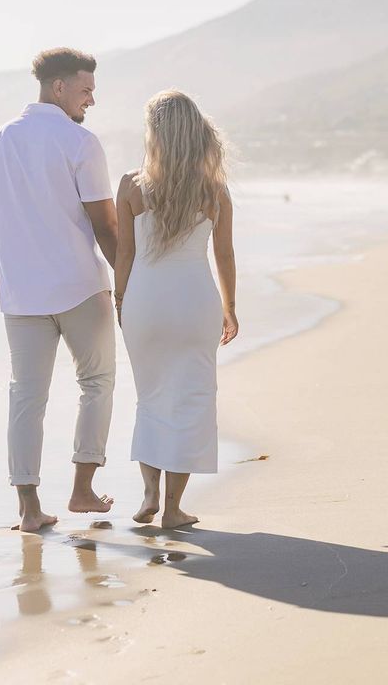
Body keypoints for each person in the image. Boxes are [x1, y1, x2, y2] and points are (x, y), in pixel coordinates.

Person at [0, 48, 118, 533]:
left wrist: (9, 280)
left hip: (22, 298)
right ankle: (82, 489)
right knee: (96, 383)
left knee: (26, 397)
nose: (91, 100)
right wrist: (128, 283)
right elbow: (105, 225)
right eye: (86, 89)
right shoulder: (80, 142)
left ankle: (30, 510)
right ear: (59, 88)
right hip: (80, 288)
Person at [114, 90, 238, 528]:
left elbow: (124, 255)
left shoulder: (131, 185)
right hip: (194, 301)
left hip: (145, 301)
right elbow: (224, 255)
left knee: (150, 398)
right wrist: (230, 307)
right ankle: (172, 509)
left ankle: (148, 492)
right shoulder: (214, 189)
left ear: (156, 135)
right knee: (191, 399)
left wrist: (121, 302)